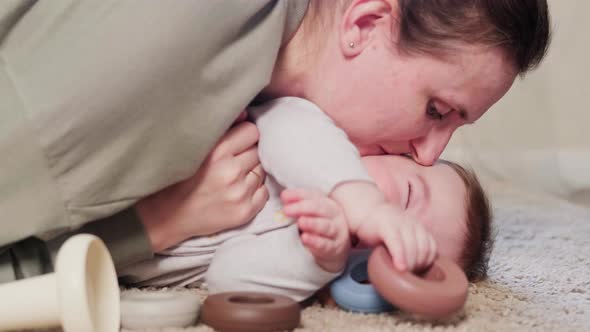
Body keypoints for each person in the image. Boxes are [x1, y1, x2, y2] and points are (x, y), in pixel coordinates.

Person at [0, 0, 550, 282]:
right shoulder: (177, 50)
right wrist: (155, 224)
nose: (429, 154)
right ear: (363, 24)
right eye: (436, 110)